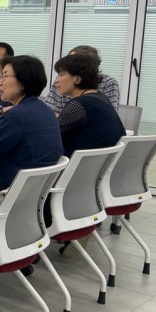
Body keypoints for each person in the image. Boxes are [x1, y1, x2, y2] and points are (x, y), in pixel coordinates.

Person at [53, 53, 125, 255]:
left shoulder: (80, 104)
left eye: (61, 74)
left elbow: (52, 133)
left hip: (70, 178)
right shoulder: (99, 99)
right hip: (91, 179)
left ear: (77, 79)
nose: (57, 80)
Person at [0, 55, 63, 192]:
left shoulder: (16, 116)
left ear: (23, 82)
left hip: (9, 190)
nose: (0, 82)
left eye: (5, 76)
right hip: (36, 191)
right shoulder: (45, 110)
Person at [45, 45, 120, 115]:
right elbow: (47, 113)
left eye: (74, 62)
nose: (68, 64)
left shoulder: (108, 83)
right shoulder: (62, 80)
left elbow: (108, 115)